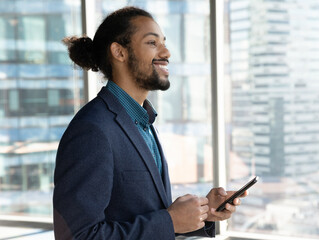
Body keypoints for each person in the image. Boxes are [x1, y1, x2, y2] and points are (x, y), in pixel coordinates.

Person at [53, 6, 247, 240]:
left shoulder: (143, 122)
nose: (166, 52)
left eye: (163, 42)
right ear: (119, 52)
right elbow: (79, 236)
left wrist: (203, 214)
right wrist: (171, 220)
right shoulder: (91, 130)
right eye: (152, 43)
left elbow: (140, 213)